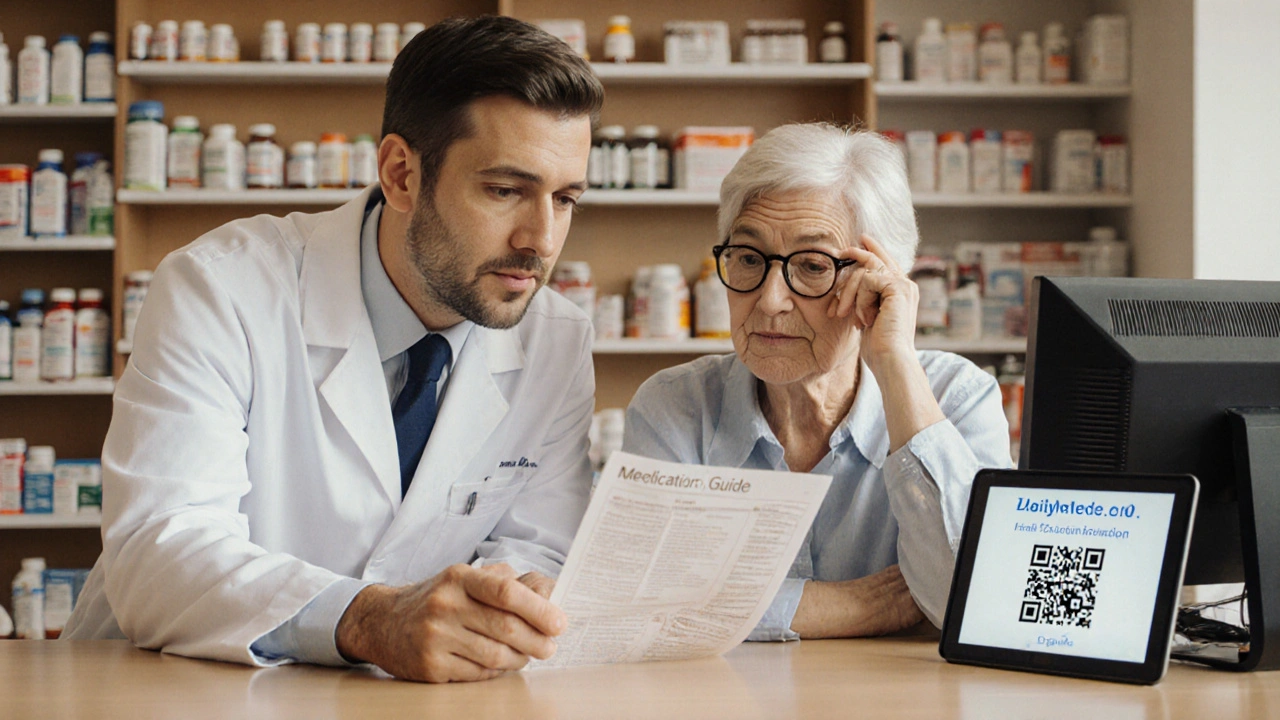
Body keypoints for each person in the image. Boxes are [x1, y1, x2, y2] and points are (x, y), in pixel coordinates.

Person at [64, 16, 605, 683]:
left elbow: (540, 547)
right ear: (401, 174)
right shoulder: (220, 288)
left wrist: (514, 604)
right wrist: (370, 620)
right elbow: (160, 551)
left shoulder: (556, 341)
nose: (541, 240)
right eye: (505, 190)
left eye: (565, 198)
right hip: (175, 685)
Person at [623, 124, 1013, 641]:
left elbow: (980, 603)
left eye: (811, 266)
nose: (769, 301)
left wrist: (895, 361)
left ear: (879, 280)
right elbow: (641, 597)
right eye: (748, 259)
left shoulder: (957, 399)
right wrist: (855, 607)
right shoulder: (675, 406)